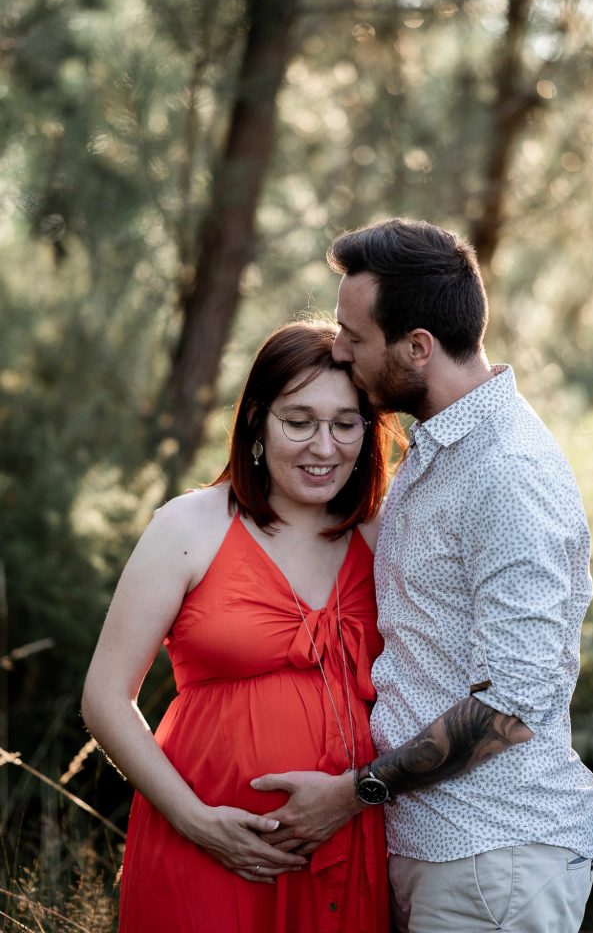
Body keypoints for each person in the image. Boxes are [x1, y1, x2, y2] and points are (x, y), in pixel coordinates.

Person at [252, 219, 593, 933]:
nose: (339, 351)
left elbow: (512, 703)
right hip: (435, 849)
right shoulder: (439, 448)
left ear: (416, 347)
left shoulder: (506, 473)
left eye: (354, 336)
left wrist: (351, 794)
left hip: (494, 853)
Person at [81, 319, 404, 933]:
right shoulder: (189, 527)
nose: (324, 446)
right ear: (257, 420)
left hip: (345, 848)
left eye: (344, 423)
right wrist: (195, 820)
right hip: (203, 849)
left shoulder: (383, 536)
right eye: (298, 420)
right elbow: (104, 697)